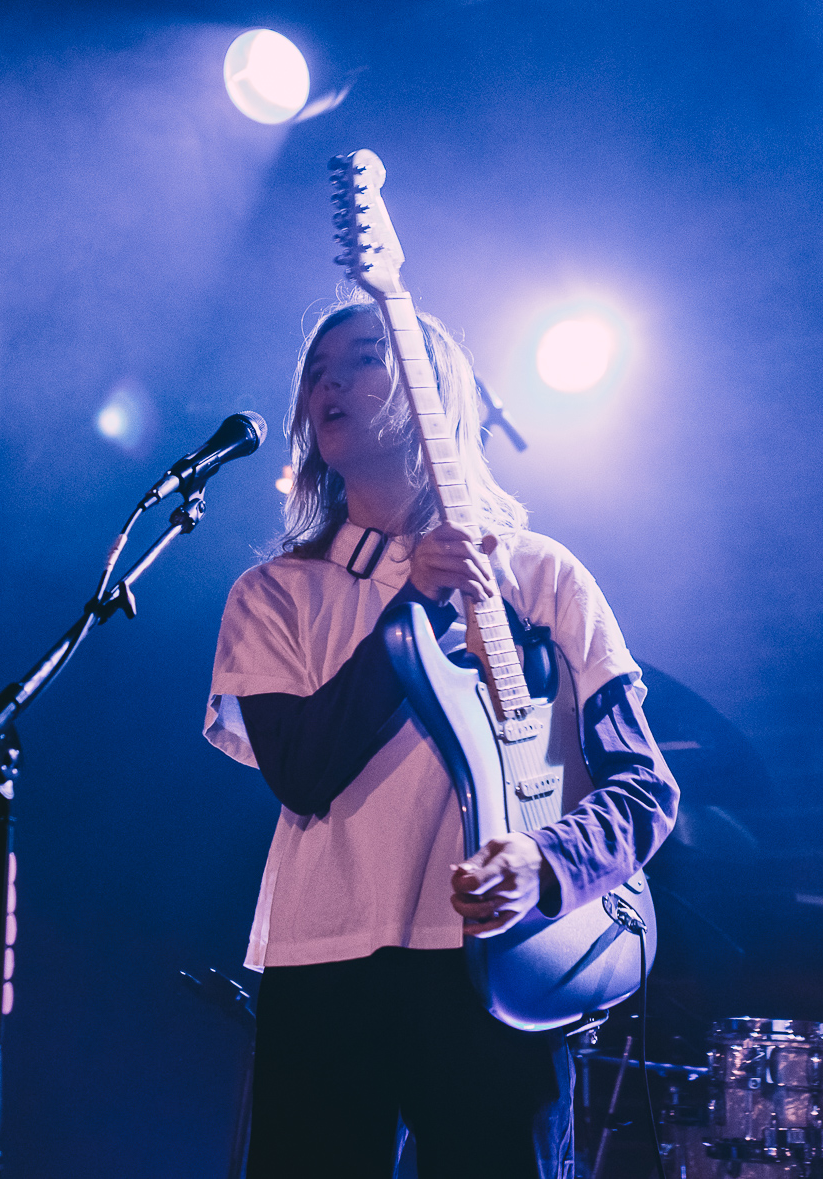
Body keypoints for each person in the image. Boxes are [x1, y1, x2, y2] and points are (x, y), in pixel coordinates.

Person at [203, 298, 678, 1179]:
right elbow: (304, 772)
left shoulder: (541, 574)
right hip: (325, 968)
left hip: (504, 965)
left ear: (433, 391)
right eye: (316, 370)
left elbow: (645, 788)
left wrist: (545, 864)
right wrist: (410, 603)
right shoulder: (273, 593)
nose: (331, 380)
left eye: (366, 356)